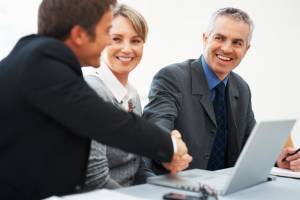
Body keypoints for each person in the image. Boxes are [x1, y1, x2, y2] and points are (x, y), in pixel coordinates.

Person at [0, 0, 192, 199]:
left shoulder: (36, 55)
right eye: (107, 32)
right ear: (79, 35)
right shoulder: (44, 62)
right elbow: (107, 122)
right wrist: (171, 146)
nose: (109, 42)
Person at [143, 7, 299, 174]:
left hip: (225, 189)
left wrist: (277, 160)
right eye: (220, 38)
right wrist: (170, 148)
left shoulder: (241, 88)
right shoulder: (171, 78)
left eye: (237, 42)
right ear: (205, 38)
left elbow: (249, 146)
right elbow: (156, 130)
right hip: (179, 186)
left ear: (246, 49)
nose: (226, 48)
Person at [82, 4, 162, 189]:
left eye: (136, 41)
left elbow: (137, 166)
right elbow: (93, 178)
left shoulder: (132, 96)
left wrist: (167, 187)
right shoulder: (92, 92)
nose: (127, 49)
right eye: (116, 39)